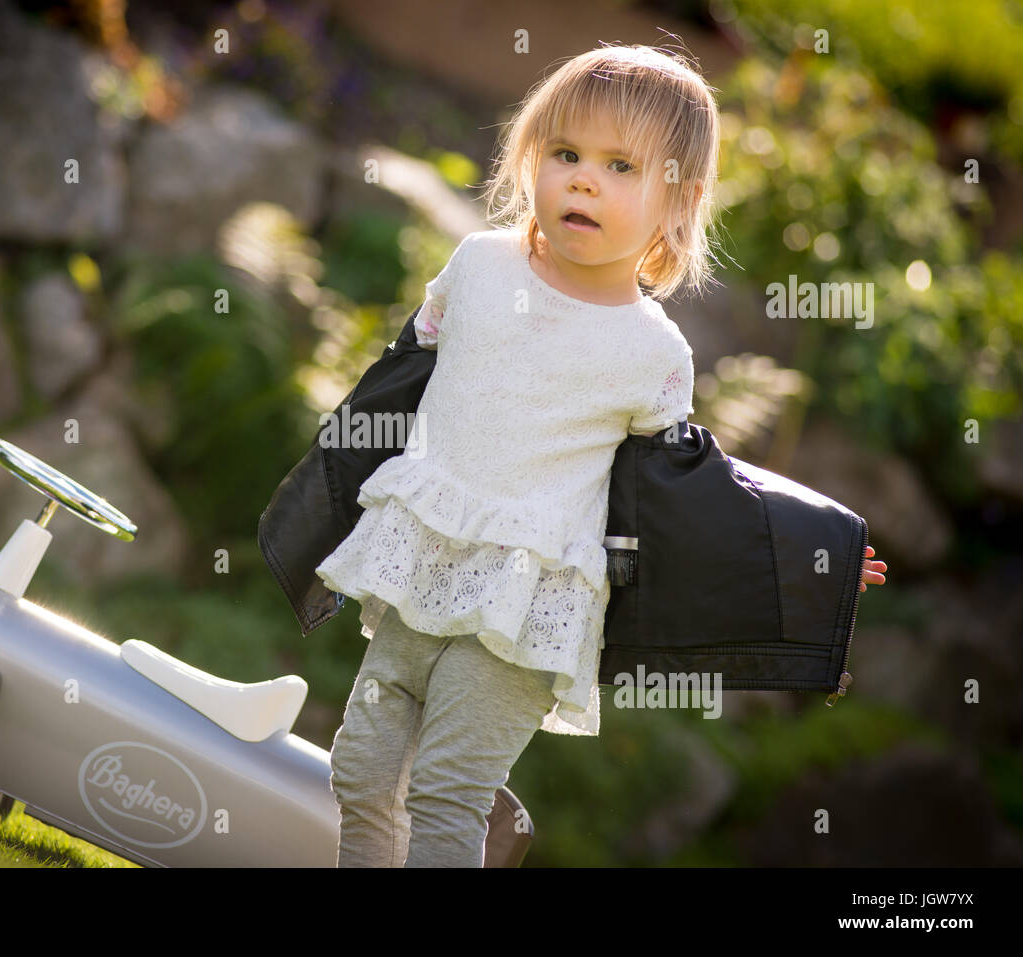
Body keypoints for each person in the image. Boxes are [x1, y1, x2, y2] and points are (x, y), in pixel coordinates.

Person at [314, 43, 886, 868]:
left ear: (678, 200)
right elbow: (399, 378)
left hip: (527, 603)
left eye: (621, 165)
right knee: (362, 769)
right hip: (423, 560)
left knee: (446, 795)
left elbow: (691, 492)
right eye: (565, 154)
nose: (583, 181)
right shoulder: (476, 267)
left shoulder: (652, 352)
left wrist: (812, 553)